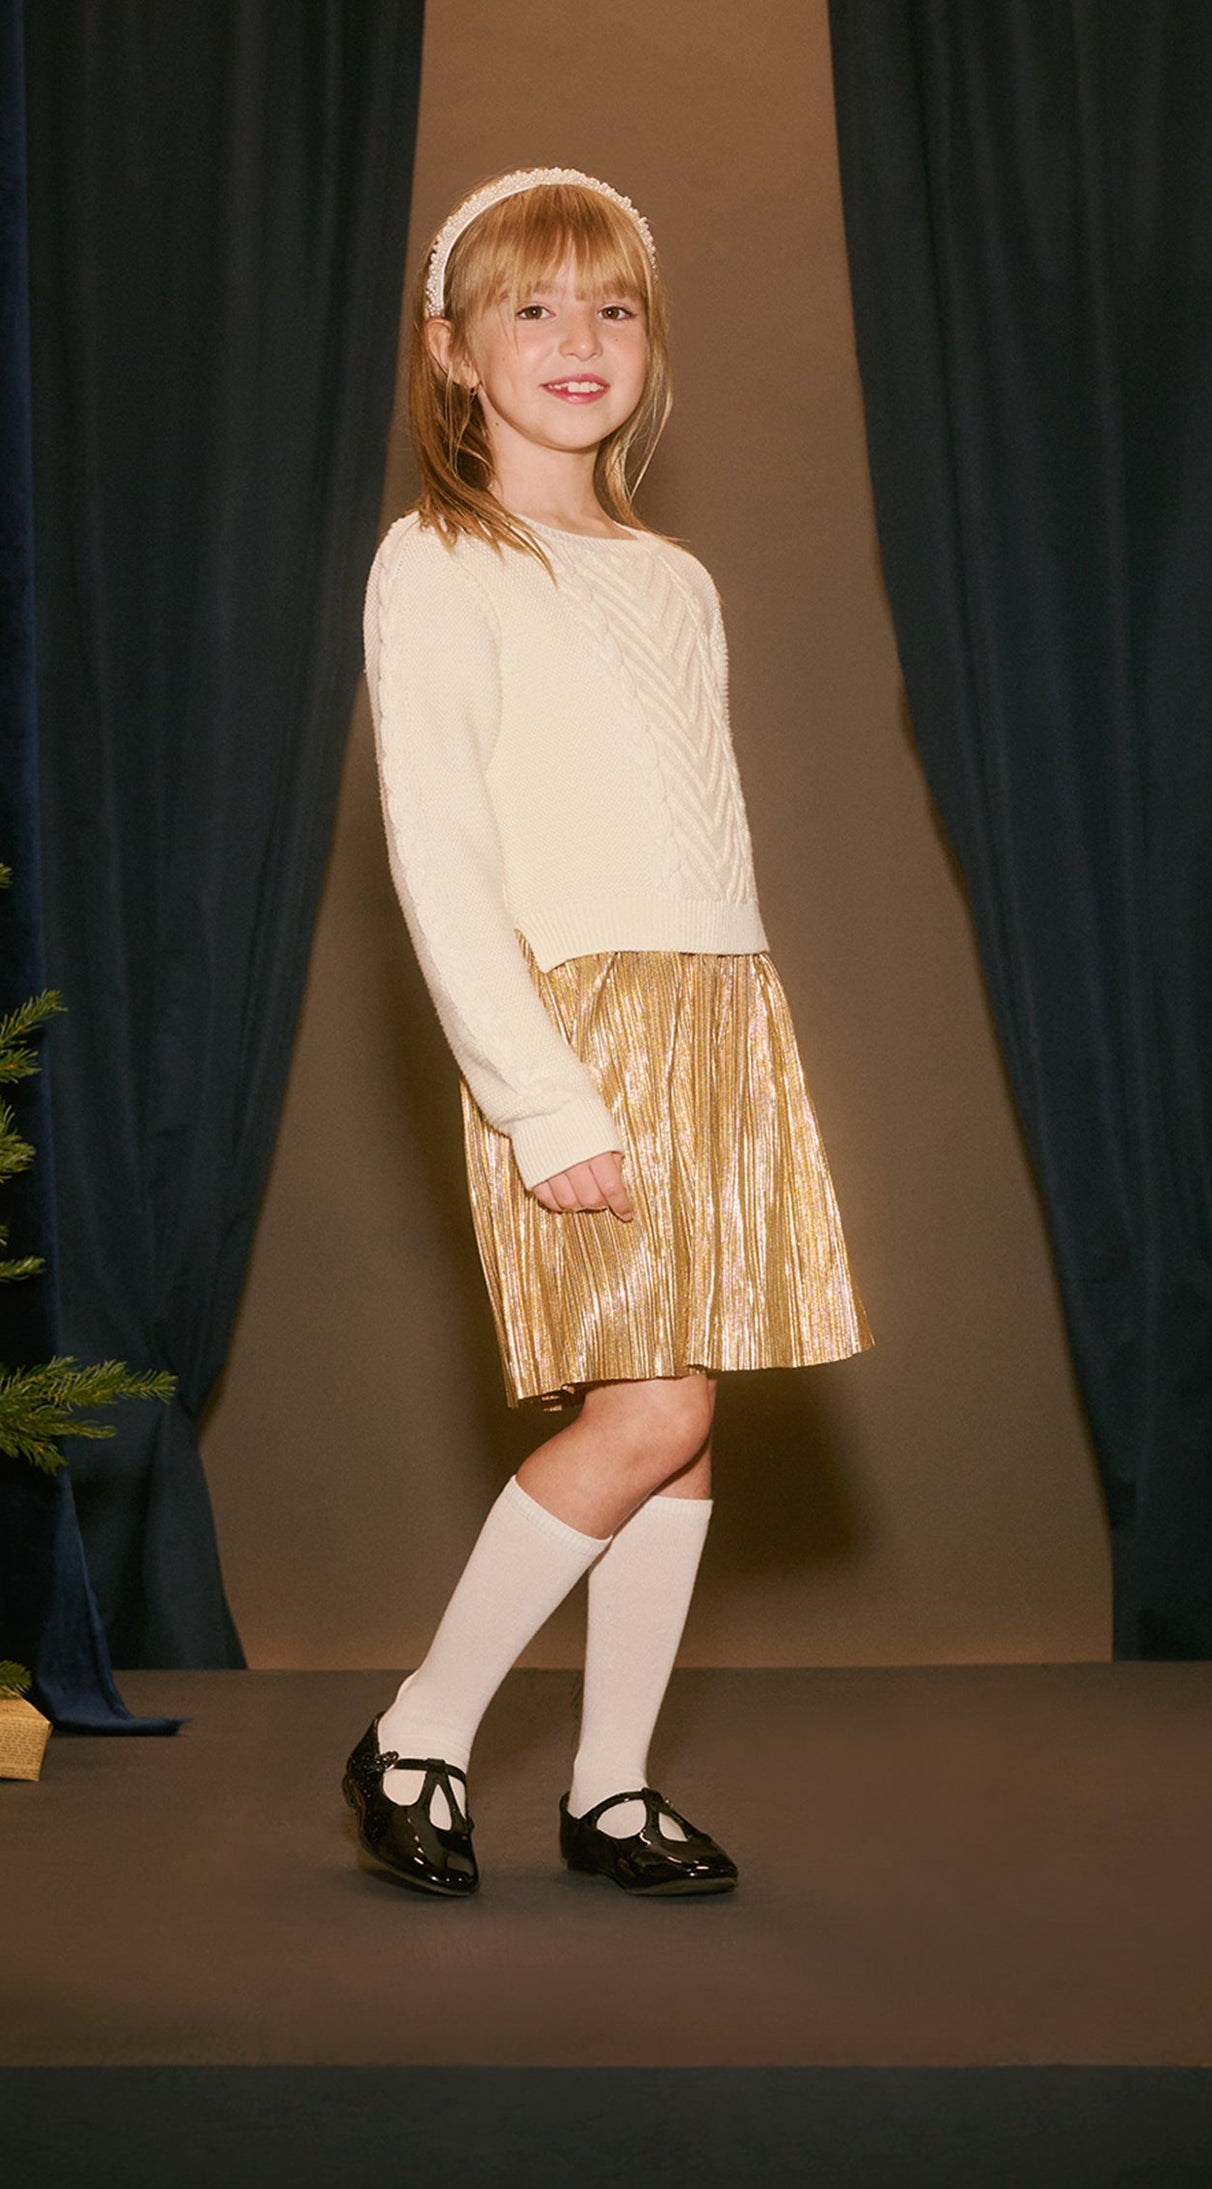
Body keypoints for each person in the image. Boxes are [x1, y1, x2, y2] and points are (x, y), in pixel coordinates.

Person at [344, 165, 874, 1899]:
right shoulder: (439, 560)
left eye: (613, 306)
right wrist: (540, 1095)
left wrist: (742, 1044)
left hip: (716, 1012)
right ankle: (418, 1731)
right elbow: (440, 854)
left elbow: (695, 829)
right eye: (531, 306)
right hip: (576, 1031)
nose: (578, 337)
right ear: (451, 349)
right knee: (644, 1408)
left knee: (685, 1418)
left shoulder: (672, 576)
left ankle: (610, 1786)